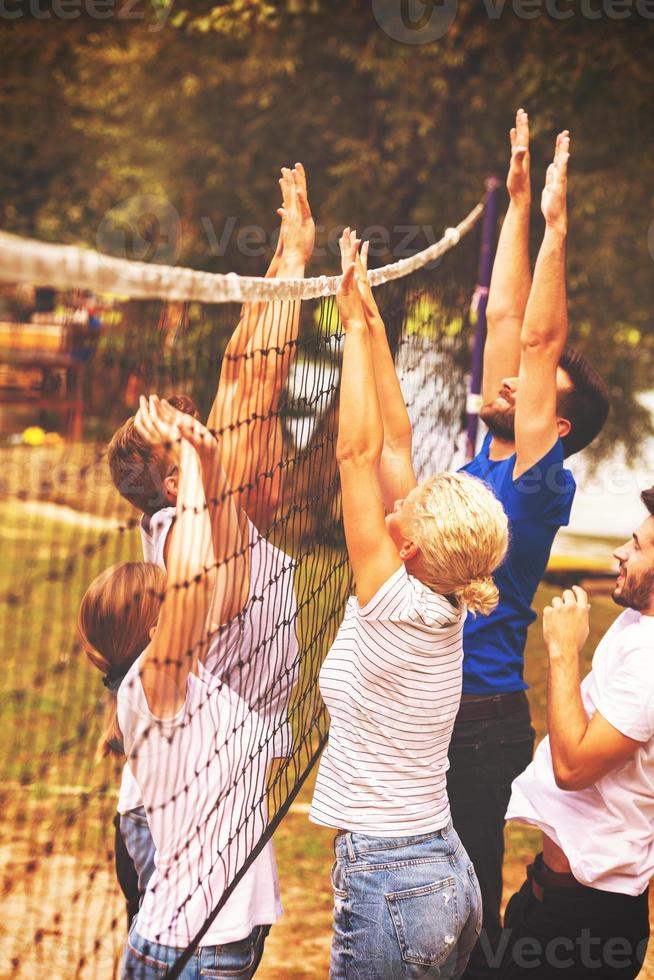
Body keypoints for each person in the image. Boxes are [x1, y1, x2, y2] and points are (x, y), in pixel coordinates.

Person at [106, 164, 313, 921]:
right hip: (172, 821)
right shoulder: (189, 531)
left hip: (211, 799)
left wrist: (284, 262)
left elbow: (239, 370)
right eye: (183, 442)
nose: (206, 433)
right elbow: (256, 385)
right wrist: (292, 264)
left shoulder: (207, 507)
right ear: (170, 484)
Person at [309, 229, 510, 979]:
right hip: (440, 873)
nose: (405, 496)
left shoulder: (393, 599)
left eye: (413, 509)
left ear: (414, 550)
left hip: (396, 883)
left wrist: (350, 326)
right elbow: (392, 442)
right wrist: (367, 324)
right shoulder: (437, 594)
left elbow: (357, 456)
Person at [447, 113, 610, 978]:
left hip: (478, 718)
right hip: (446, 708)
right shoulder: (489, 456)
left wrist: (556, 227)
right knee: (446, 898)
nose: (510, 373)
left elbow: (539, 338)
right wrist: (514, 205)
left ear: (562, 418)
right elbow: (508, 316)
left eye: (538, 383)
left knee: (462, 905)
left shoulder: (541, 482)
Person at [80, 396, 280, 979]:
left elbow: (229, 561)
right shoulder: (151, 687)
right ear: (155, 629)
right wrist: (190, 459)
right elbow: (194, 583)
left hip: (208, 939)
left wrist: (208, 456)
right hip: (192, 950)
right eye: (166, 597)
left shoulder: (185, 684)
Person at [500, 487, 654, 979]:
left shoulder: (651, 661)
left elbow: (573, 769)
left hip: (587, 925)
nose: (620, 552)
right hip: (552, 899)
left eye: (638, 545)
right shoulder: (636, 623)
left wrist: (563, 652)